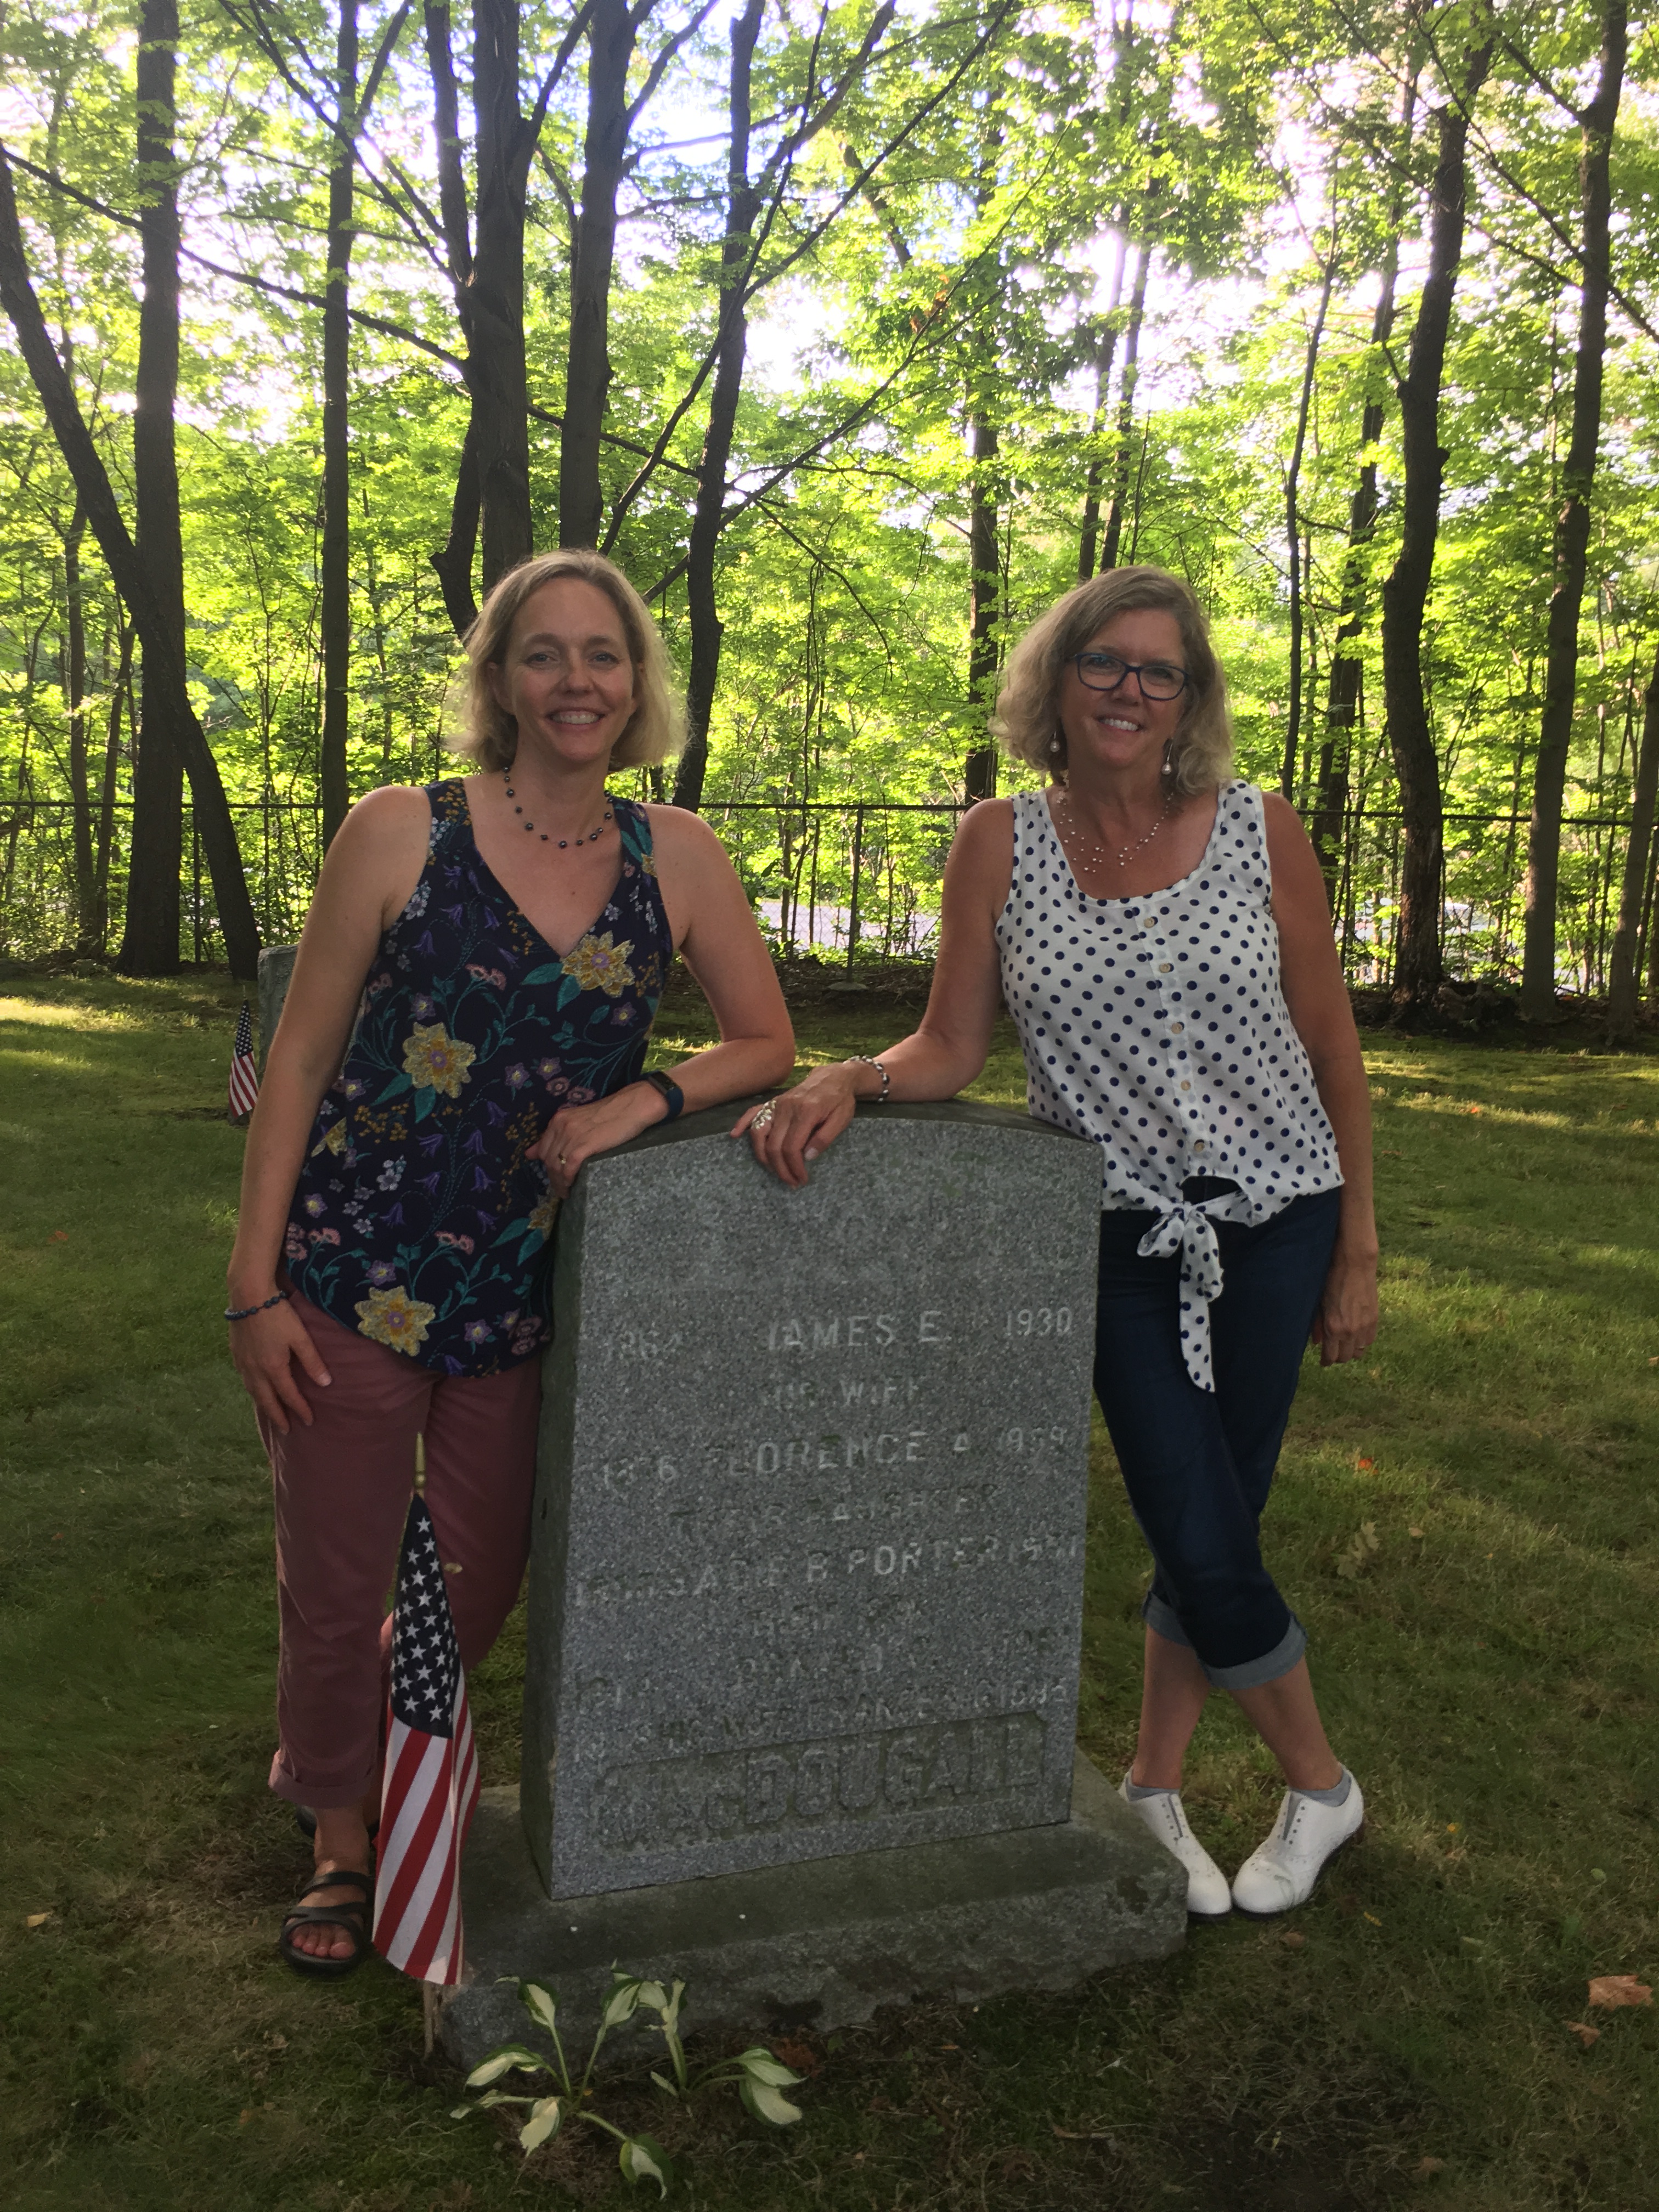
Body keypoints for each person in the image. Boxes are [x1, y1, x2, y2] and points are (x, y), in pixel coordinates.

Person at [739, 566, 1378, 1918]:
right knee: (1191, 1513)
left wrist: (1357, 1244)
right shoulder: (1000, 841)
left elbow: (1331, 1041)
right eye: (1105, 663)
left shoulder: (1263, 828)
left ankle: (1153, 1780)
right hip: (1114, 1234)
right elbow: (956, 1041)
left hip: (1276, 1219)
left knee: (1221, 1513)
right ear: (1058, 678)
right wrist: (855, 1075)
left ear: (1191, 696)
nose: (1132, 692)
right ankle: (1323, 1784)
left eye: (1162, 672)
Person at [227, 548, 794, 1976]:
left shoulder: (680, 857)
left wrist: (637, 1102)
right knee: (340, 1563)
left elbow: (765, 1040)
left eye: (603, 655)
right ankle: (344, 1833)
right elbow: (297, 1058)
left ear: (637, 683)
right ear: (501, 681)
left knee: (475, 1575)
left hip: (527, 1294)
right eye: (544, 654)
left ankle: (383, 1746)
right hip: (353, 1265)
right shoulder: (397, 830)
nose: (577, 681)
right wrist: (252, 1286)